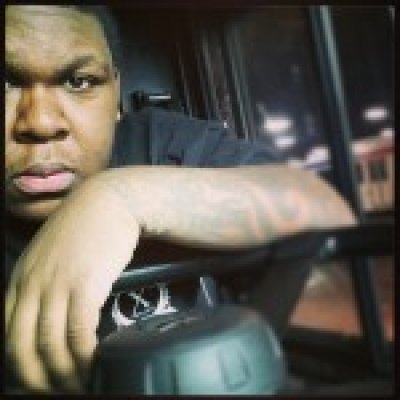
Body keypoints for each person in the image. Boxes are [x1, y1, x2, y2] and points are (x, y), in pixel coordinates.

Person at [5, 5, 356, 394]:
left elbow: (320, 202)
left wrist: (123, 198)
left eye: (79, 81)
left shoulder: (159, 142)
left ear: (116, 95)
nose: (40, 122)